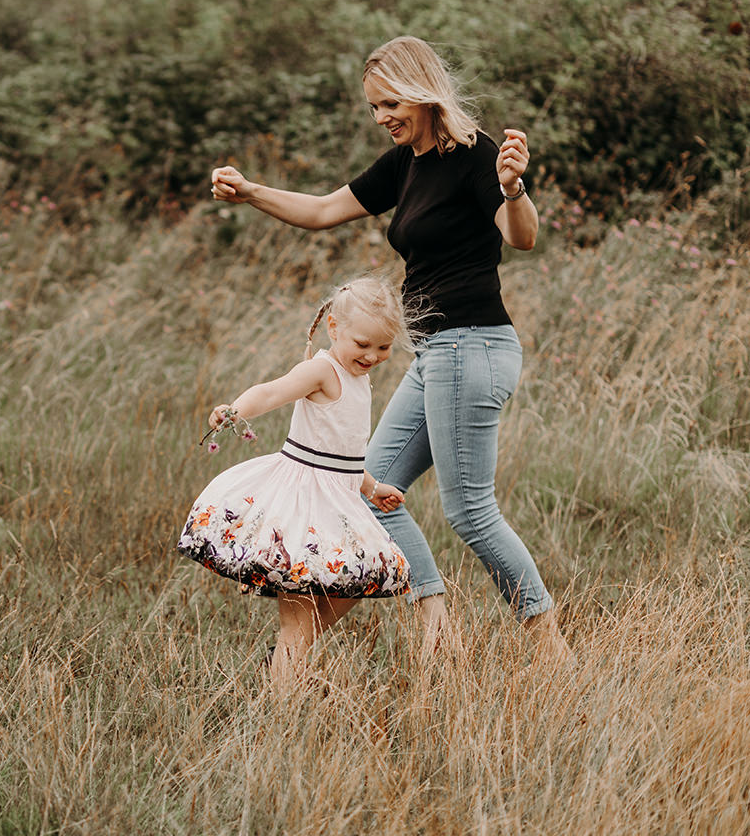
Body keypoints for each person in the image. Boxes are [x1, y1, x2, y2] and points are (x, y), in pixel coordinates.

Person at [209, 35, 570, 661]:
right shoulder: (405, 163)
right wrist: (252, 193)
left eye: (388, 104)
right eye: (374, 108)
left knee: (470, 511)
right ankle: (431, 611)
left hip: (472, 344)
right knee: (366, 490)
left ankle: (552, 652)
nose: (381, 118)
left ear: (421, 91)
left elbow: (522, 237)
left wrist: (513, 189)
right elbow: (324, 210)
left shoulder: (473, 153)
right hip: (439, 354)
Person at [178, 278, 413, 683]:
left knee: (356, 583)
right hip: (303, 510)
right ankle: (283, 703)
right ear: (334, 328)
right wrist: (235, 410)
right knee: (298, 627)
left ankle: (284, 661)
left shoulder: (360, 378)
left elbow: (344, 453)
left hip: (339, 505)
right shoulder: (322, 370)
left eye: (383, 347)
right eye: (363, 344)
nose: (372, 356)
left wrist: (371, 488)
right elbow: (272, 392)